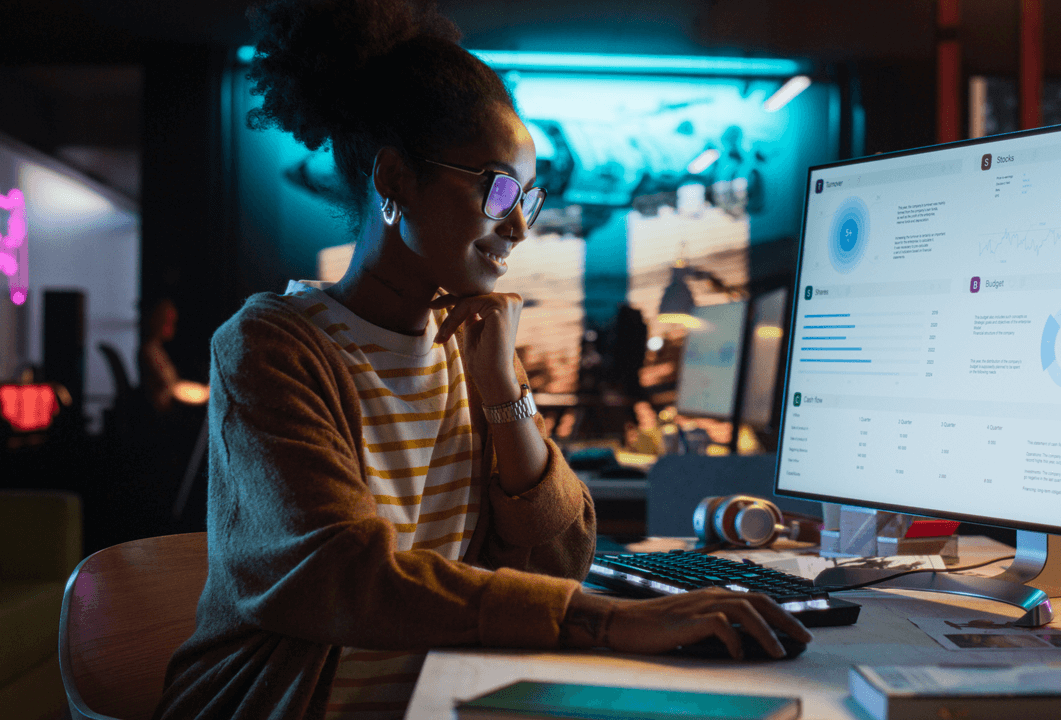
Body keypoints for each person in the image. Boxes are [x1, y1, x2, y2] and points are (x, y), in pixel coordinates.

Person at [153, 2, 810, 718]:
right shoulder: (273, 346)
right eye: (499, 188)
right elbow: (336, 576)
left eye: (529, 194)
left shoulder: (473, 343)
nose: (522, 224)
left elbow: (561, 559)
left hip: (448, 699)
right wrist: (601, 619)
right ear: (397, 180)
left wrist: (504, 388)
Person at [138, 298, 210, 414]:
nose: (172, 326)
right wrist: (205, 394)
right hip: (163, 415)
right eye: (167, 321)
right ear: (156, 320)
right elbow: (174, 389)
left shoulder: (156, 350)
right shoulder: (150, 352)